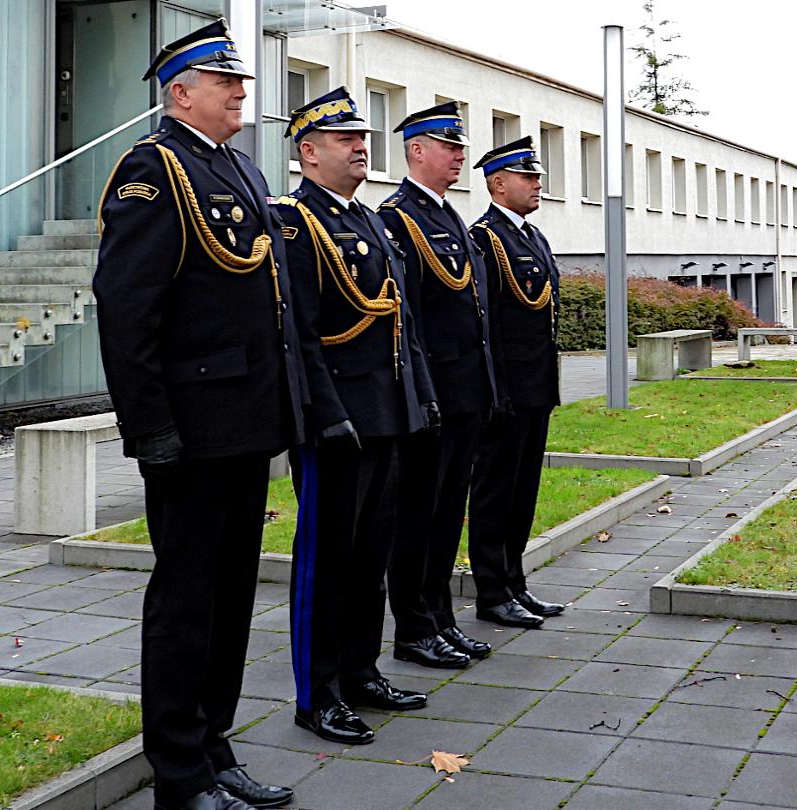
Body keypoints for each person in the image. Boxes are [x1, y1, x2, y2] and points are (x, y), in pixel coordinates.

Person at [92, 19, 303, 810]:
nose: (241, 92)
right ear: (181, 92)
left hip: (246, 422)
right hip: (190, 428)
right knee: (185, 602)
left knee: (231, 597)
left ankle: (215, 748)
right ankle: (178, 773)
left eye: (239, 81)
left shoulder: (240, 173)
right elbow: (126, 304)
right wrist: (148, 427)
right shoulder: (153, 171)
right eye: (225, 81)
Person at [272, 87, 440, 745]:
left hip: (385, 414)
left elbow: (401, 322)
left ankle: (361, 671)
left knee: (371, 555)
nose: (360, 147)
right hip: (336, 419)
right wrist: (324, 412)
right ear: (309, 153)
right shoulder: (293, 222)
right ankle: (317, 694)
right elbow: (299, 332)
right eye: (345, 139)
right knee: (326, 560)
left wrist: (419, 397)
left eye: (362, 137)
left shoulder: (370, 220)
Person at [379, 102, 499, 669]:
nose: (459, 155)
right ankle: (413, 627)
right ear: (416, 150)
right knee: (417, 518)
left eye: (460, 146)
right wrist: (421, 393)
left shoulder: (448, 215)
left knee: (449, 512)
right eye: (448, 146)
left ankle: (440, 618)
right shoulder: (397, 218)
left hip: (466, 394)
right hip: (432, 397)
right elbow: (408, 320)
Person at [465, 136, 567, 629]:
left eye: (537, 176)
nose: (537, 184)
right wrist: (495, 388)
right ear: (498, 183)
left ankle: (515, 582)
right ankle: (490, 589)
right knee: (495, 490)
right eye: (528, 177)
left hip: (534, 388)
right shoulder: (484, 238)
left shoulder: (532, 236)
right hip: (503, 391)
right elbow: (485, 323)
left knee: (523, 489)